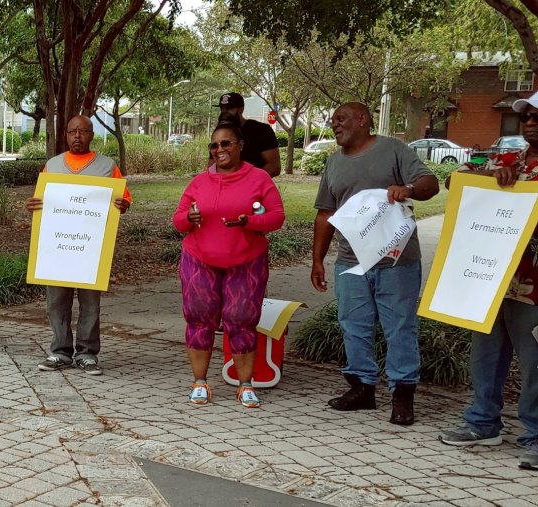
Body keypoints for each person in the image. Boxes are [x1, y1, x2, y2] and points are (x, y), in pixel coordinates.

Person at [311, 102, 439, 426]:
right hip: (351, 262)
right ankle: (362, 389)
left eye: (341, 119)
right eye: (332, 120)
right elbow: (325, 213)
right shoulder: (334, 163)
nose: (335, 124)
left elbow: (430, 183)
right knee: (353, 326)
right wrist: (317, 259)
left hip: (396, 262)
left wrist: (407, 189)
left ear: (363, 119)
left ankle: (402, 396)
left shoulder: (393, 149)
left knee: (400, 329)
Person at [438, 93, 538, 469]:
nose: (529, 123)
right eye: (526, 117)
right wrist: (488, 176)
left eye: (536, 117)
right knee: (486, 354)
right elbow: (455, 180)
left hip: (533, 285)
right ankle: (483, 422)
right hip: (490, 277)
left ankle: (535, 435)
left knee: (535, 363)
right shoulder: (506, 159)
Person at [172, 123, 285, 407]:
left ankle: (246, 385)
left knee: (242, 318)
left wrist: (251, 221)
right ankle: (200, 382)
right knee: (199, 317)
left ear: (240, 146)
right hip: (200, 258)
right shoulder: (199, 181)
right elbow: (179, 219)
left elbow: (277, 217)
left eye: (226, 144)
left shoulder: (259, 178)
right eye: (214, 145)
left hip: (245, 260)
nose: (219, 149)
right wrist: (190, 220)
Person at [29, 115, 132, 376]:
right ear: (65, 134)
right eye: (72, 131)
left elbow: (123, 199)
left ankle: (87, 353)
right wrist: (33, 204)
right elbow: (40, 199)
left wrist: (124, 204)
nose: (77, 136)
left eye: (83, 131)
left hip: (90, 247)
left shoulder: (107, 167)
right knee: (56, 301)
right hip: (58, 246)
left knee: (90, 303)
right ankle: (60, 351)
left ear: (91, 135)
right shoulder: (52, 166)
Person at [214, 92, 281, 177]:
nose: (224, 112)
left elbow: (274, 167)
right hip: (226, 186)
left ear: (241, 109)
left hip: (254, 187)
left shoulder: (261, 130)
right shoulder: (220, 133)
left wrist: (246, 182)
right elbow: (212, 166)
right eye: (222, 108)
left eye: (228, 108)